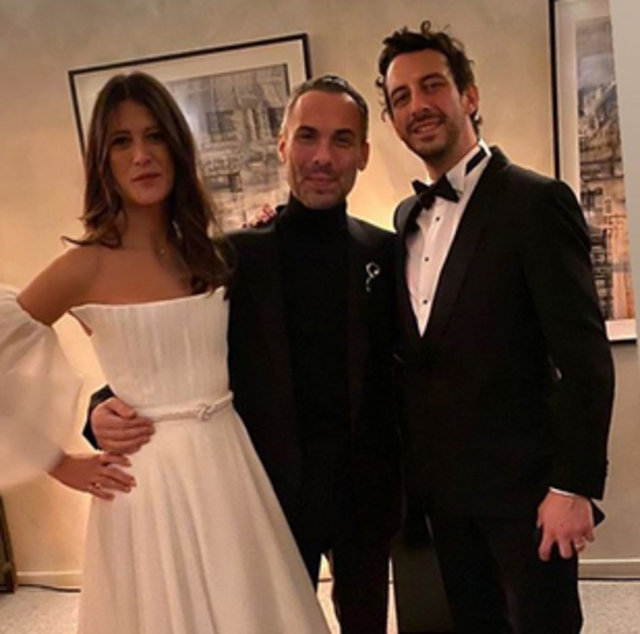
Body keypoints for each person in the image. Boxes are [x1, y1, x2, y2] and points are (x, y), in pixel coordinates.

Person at [0, 71, 329, 634]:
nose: (141, 155)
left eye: (154, 136)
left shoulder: (206, 254)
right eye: (121, 141)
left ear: (177, 146)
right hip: (145, 486)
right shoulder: (85, 265)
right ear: (102, 160)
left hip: (228, 466)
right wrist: (59, 462)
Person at [87, 74, 401, 634]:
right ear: (282, 145)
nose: (322, 157)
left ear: (364, 153)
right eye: (307, 136)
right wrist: (98, 409)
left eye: (342, 140)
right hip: (263, 491)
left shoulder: (388, 252)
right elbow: (170, 347)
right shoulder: (228, 258)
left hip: (366, 493)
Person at [376, 21, 614, 633]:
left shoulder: (536, 201)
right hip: (444, 498)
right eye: (401, 97)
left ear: (469, 95)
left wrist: (574, 487)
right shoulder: (404, 218)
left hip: (528, 495)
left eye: (432, 85)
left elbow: (585, 358)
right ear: (392, 119)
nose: (418, 105)